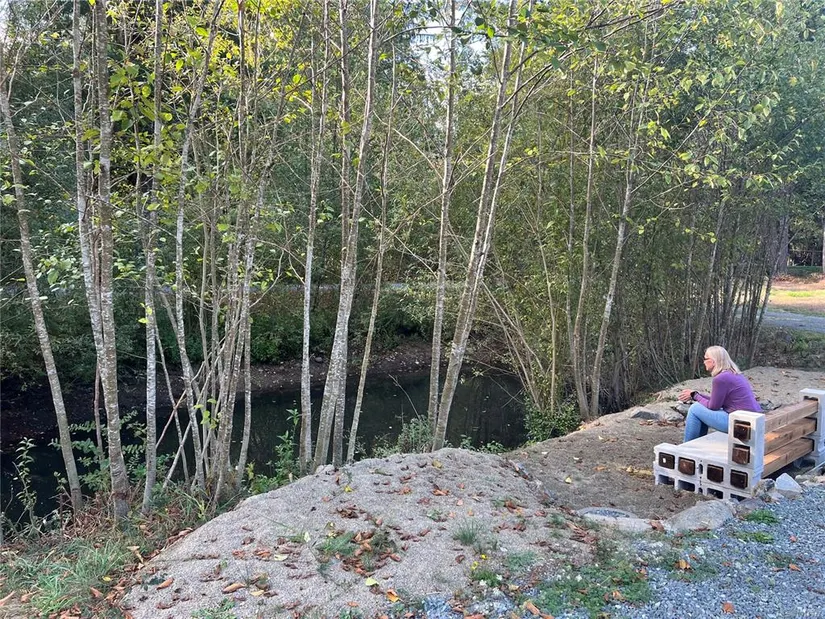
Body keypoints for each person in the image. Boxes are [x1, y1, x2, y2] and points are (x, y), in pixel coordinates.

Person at [678, 345, 761, 442]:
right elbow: (716, 401)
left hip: (741, 424)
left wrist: (695, 396)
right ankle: (695, 444)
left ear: (713, 361)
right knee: (699, 407)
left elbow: (713, 406)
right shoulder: (733, 374)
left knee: (694, 408)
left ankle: (687, 445)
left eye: (705, 359)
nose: (704, 362)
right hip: (751, 420)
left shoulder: (721, 379)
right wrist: (695, 395)